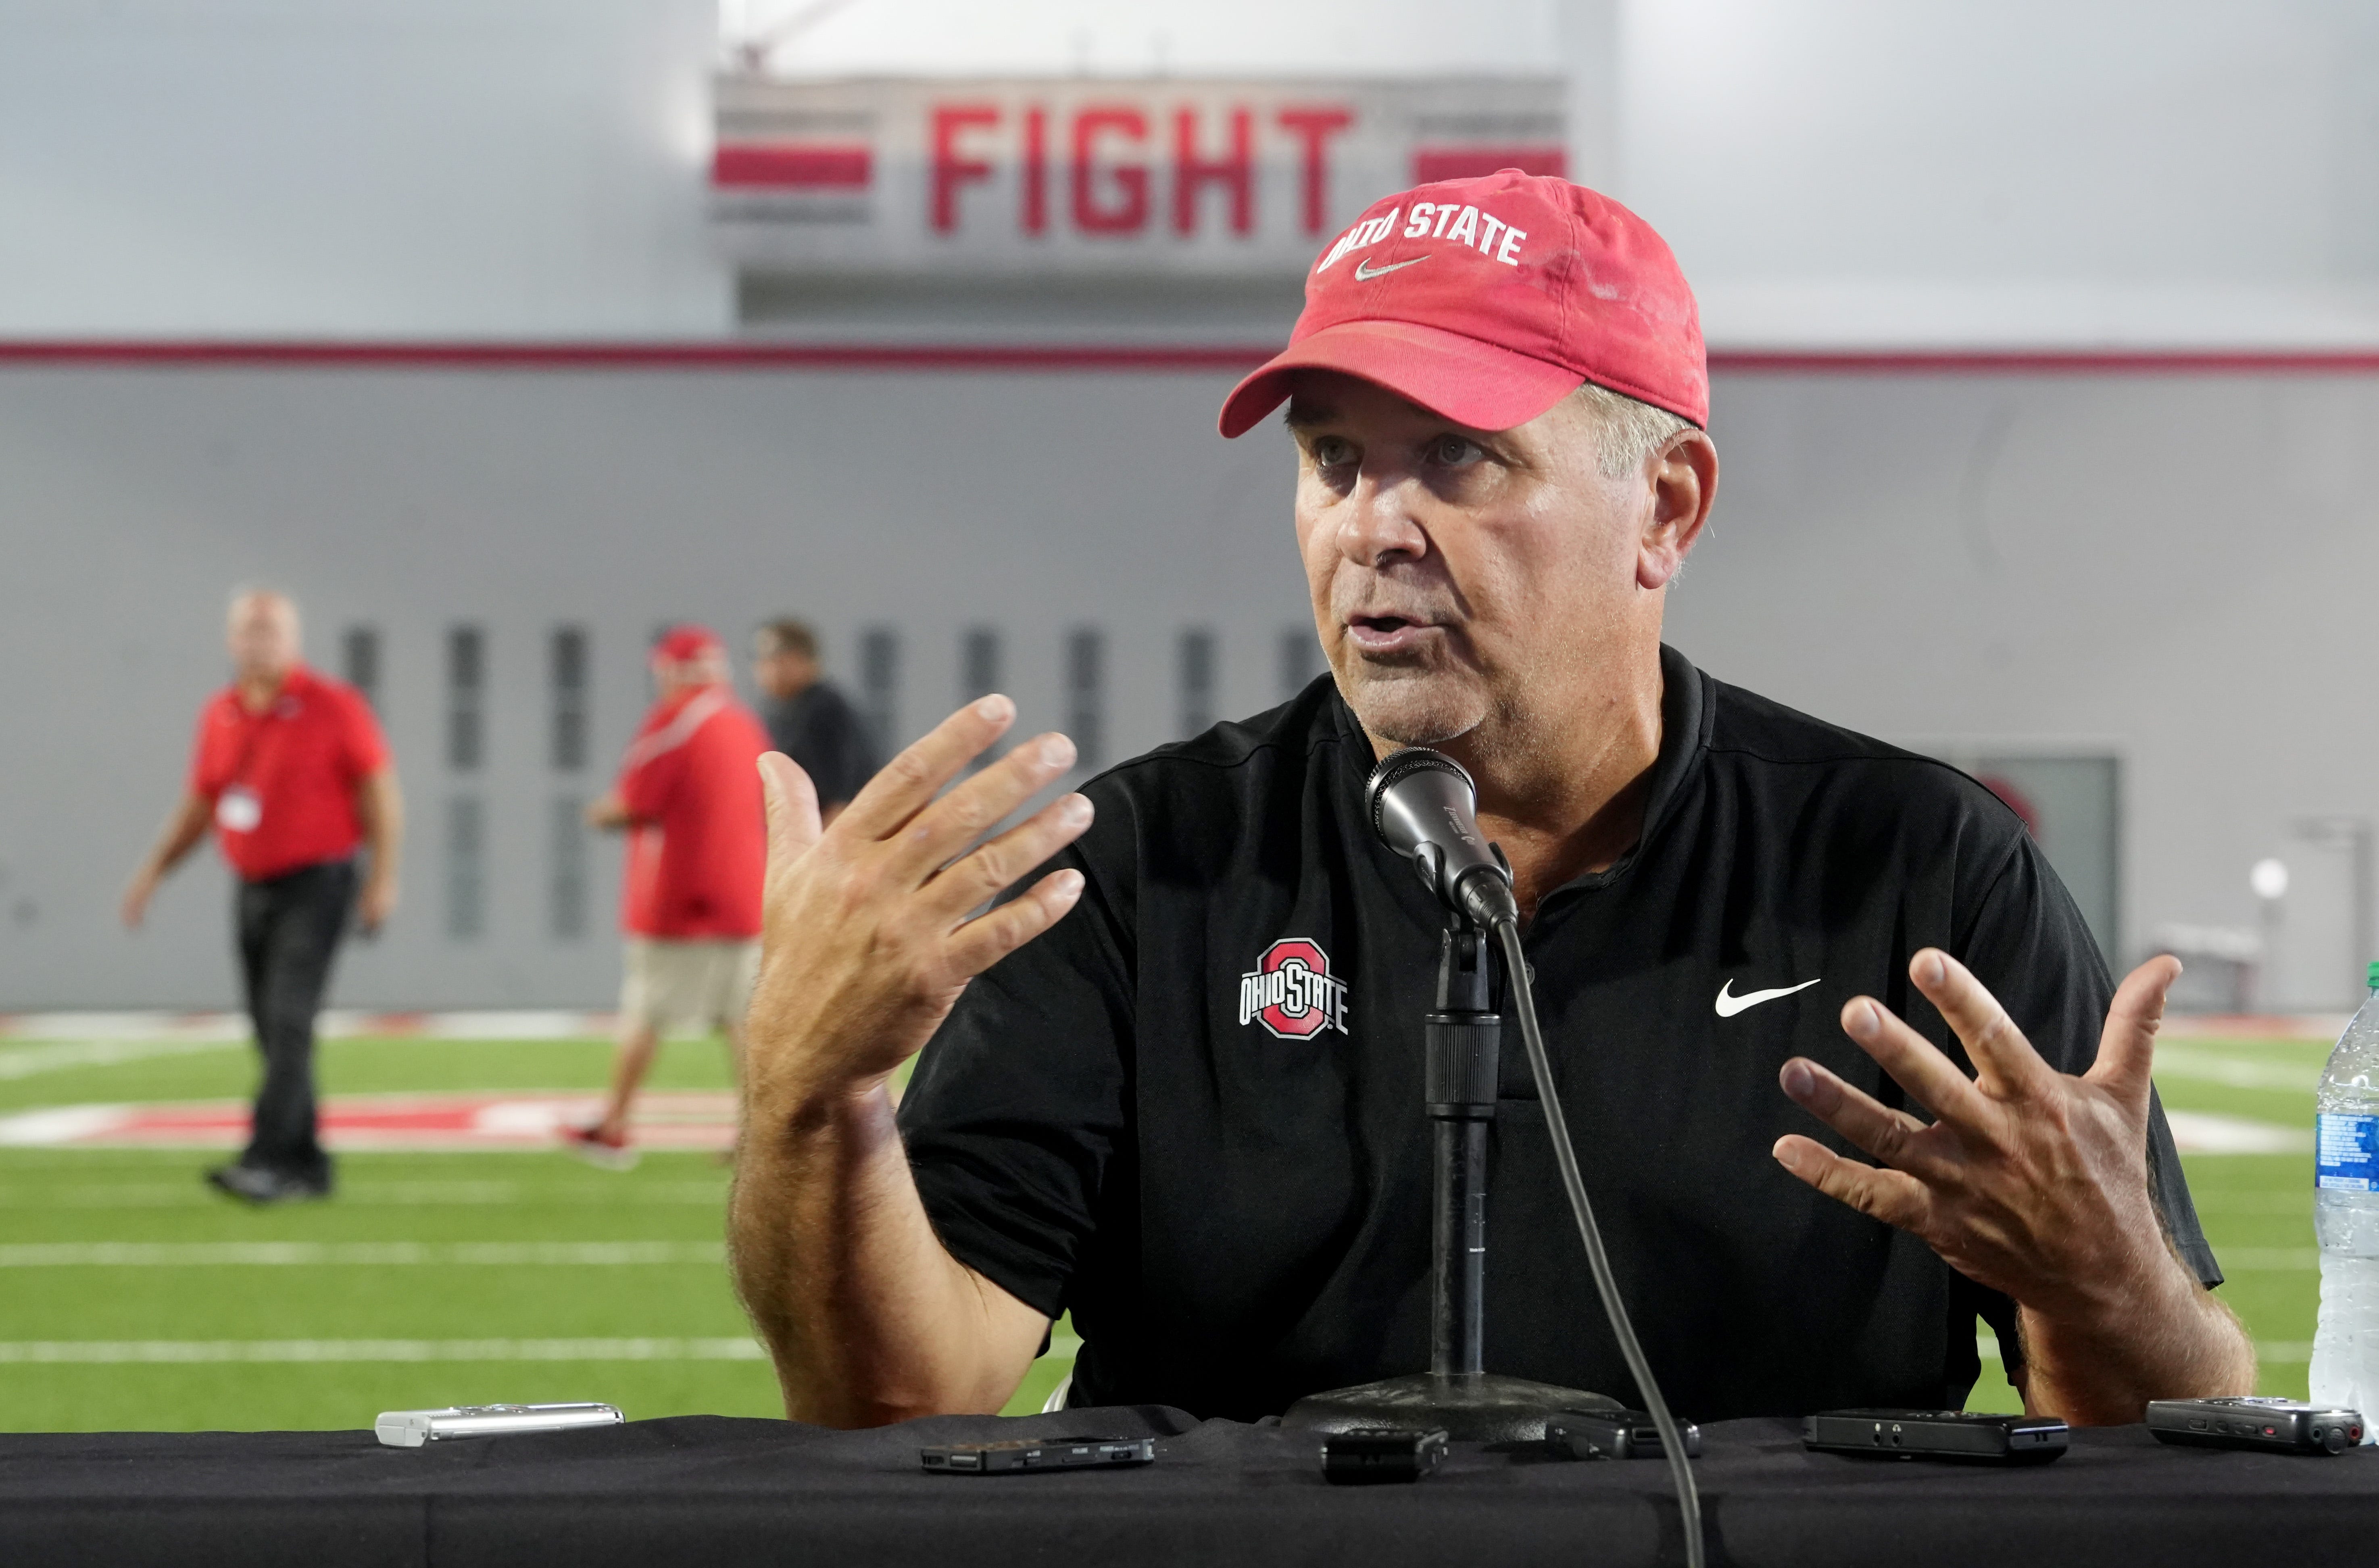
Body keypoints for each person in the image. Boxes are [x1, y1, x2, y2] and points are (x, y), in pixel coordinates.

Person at [732, 171, 2255, 1428]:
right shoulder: (1140, 866)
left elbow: (2172, 1433)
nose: (1374, 525)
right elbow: (895, 1404)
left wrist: (2108, 1282)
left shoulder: (1916, 870)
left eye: (1458, 458)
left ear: (1663, 508)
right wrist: (813, 1102)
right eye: (1334, 459)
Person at [121, 588, 402, 1205]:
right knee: (269, 1030)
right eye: (251, 631)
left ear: (294, 640)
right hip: (253, 885)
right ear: (232, 641)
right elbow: (202, 804)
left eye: (273, 631)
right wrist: (154, 871)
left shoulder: (333, 706)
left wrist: (383, 876)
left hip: (319, 882)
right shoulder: (222, 713)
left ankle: (266, 1159)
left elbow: (381, 791)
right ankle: (308, 1164)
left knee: (288, 1019)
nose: (261, 642)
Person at [560, 626, 770, 1168]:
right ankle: (759, 1134)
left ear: (674, 670)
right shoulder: (746, 726)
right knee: (741, 1019)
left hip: (679, 901)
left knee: (645, 1012)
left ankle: (614, 1125)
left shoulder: (674, 723)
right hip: (745, 896)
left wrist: (598, 813)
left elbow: (632, 802)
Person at [752, 618, 879, 826]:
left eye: (772, 659)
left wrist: (821, 850)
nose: (761, 669)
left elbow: (841, 800)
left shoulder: (825, 709)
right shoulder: (787, 711)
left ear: (799, 660)